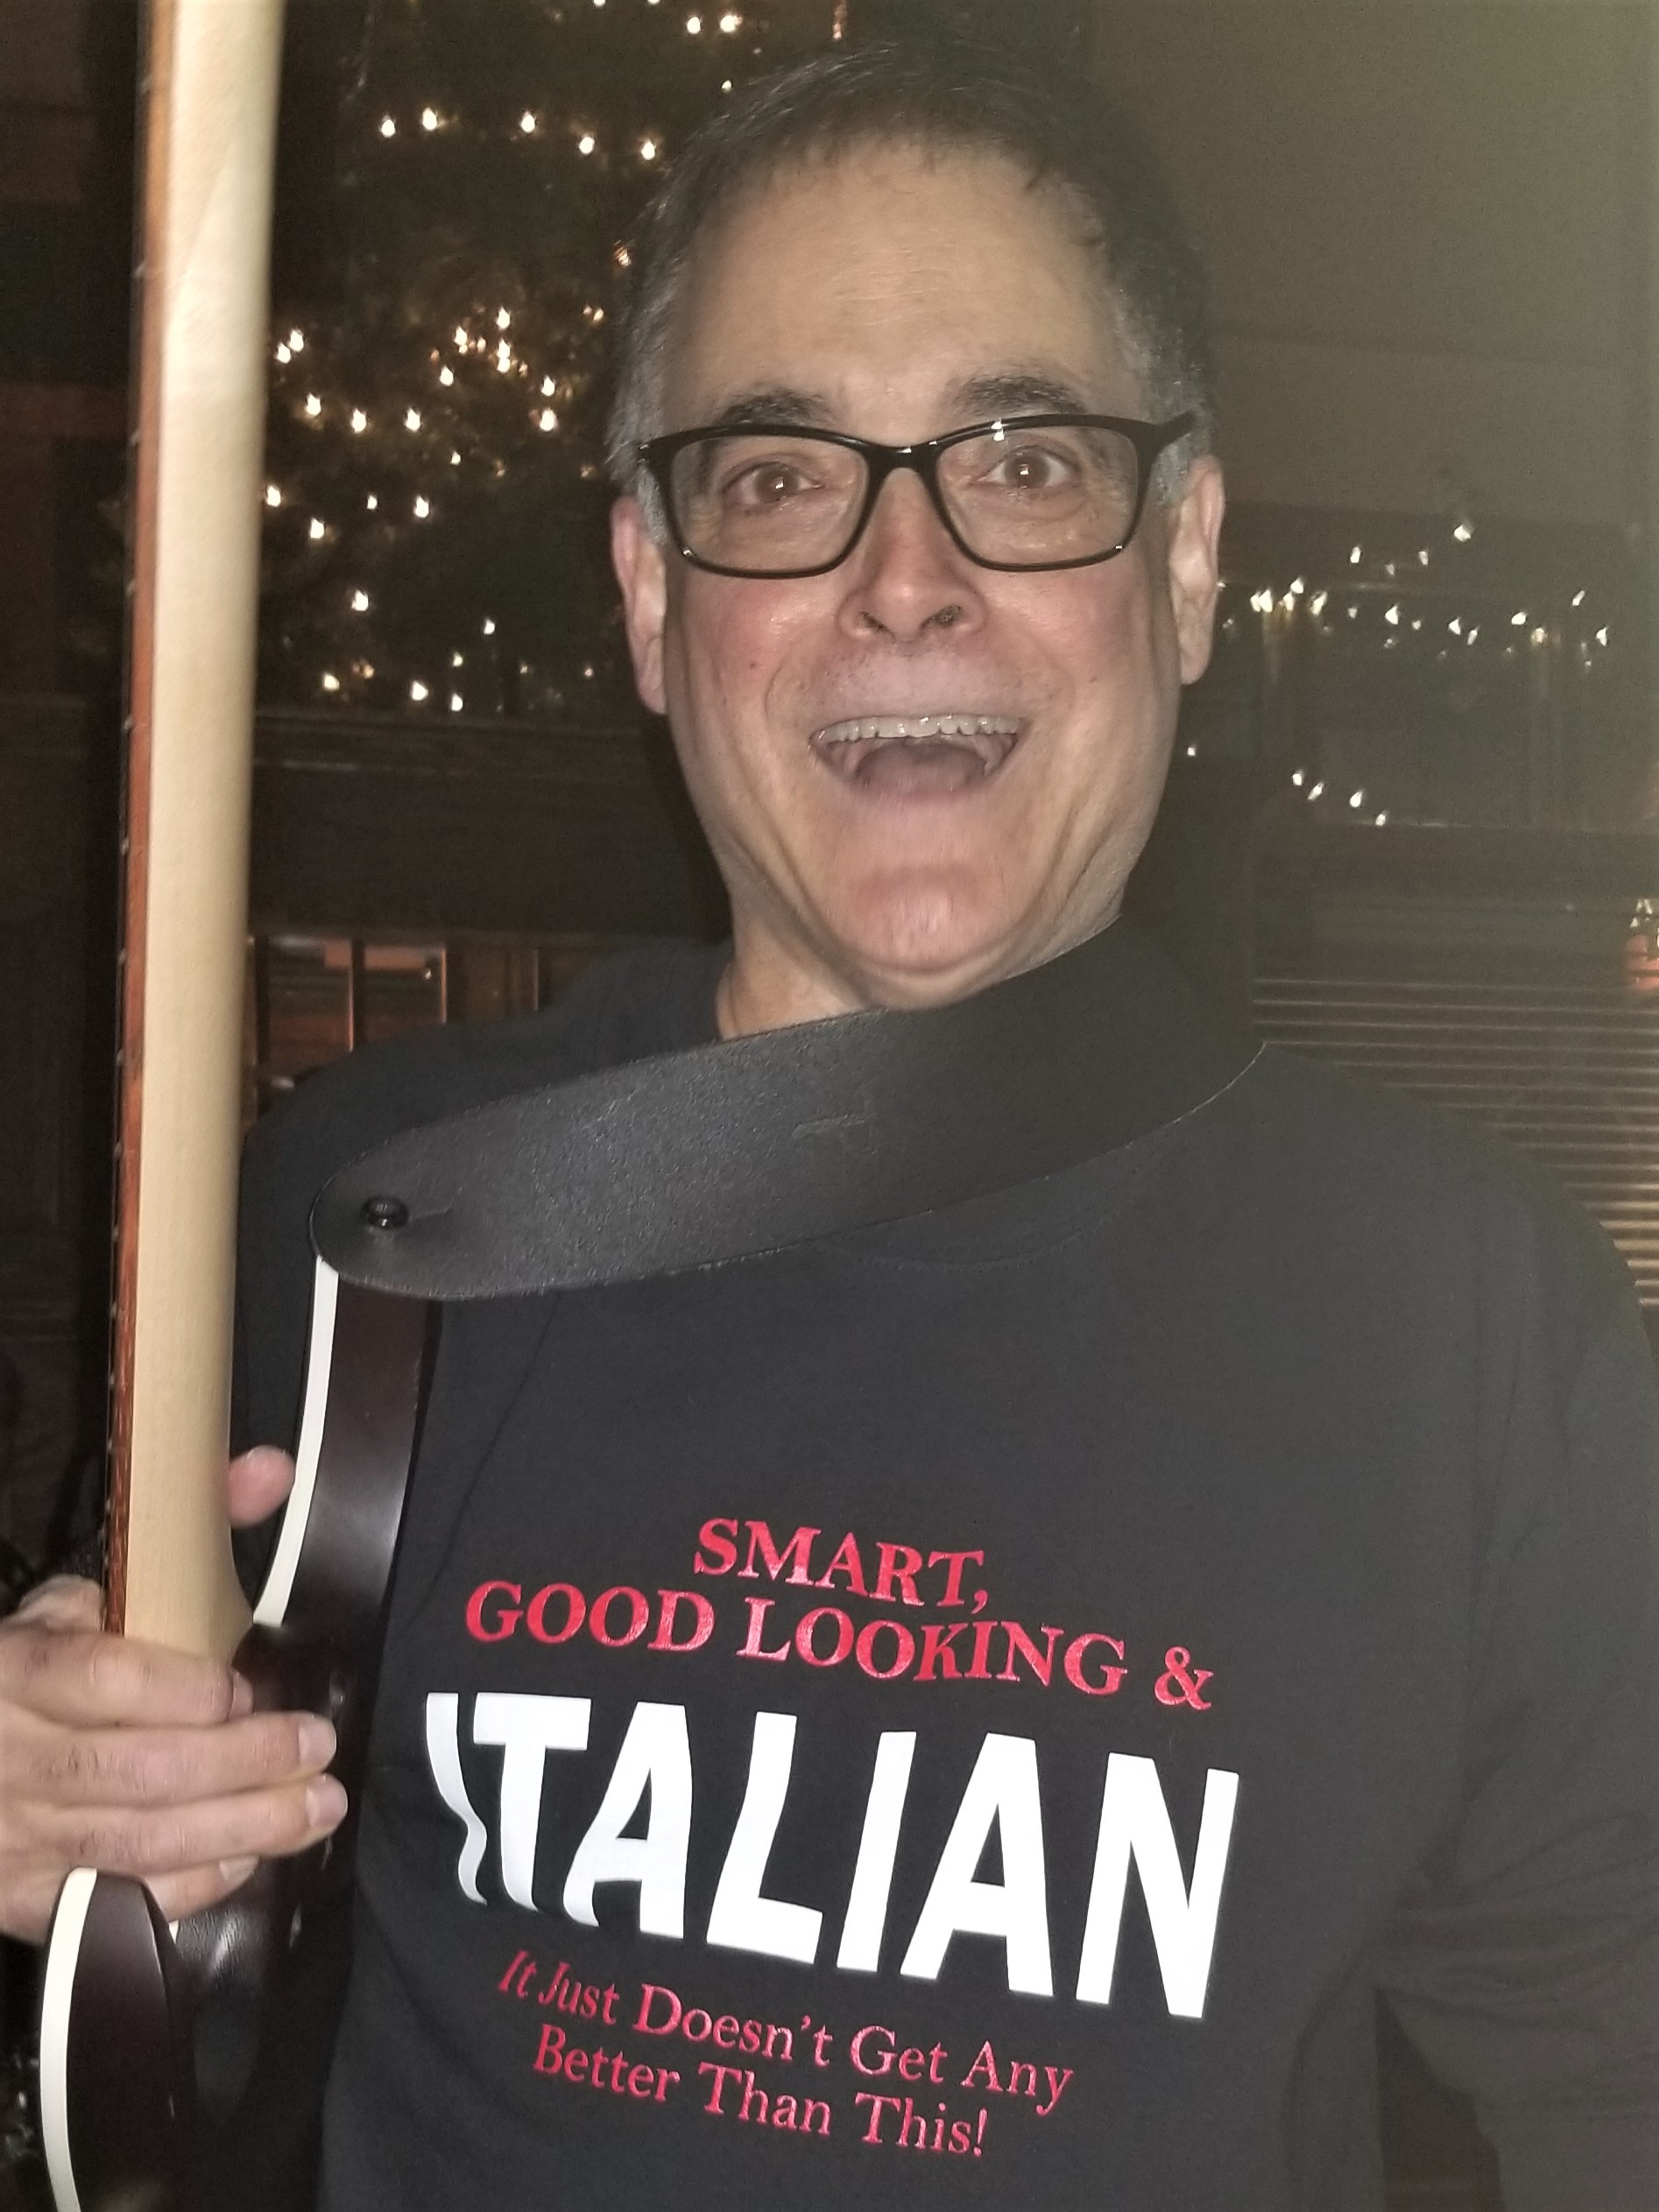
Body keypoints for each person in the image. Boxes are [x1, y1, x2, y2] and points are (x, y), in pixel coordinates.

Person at [2, 39, 1655, 2211]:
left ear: (1183, 563)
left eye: (1022, 460)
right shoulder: (360, 1214)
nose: (903, 577)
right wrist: (57, 1815)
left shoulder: (1467, 1333)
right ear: (648, 596)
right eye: (780, 477)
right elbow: (148, 2016)